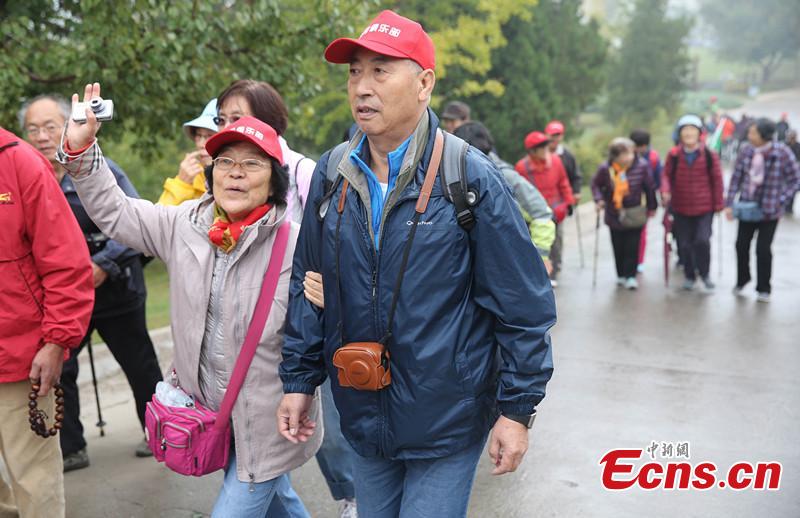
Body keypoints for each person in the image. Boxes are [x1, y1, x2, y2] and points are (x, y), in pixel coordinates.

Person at [278, 10, 555, 518]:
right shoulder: (333, 174)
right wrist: (299, 381)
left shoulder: (468, 177)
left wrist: (517, 411)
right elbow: (308, 284)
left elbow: (524, 306)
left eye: (380, 71)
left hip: (447, 417)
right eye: (354, 72)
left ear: (424, 82)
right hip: (362, 407)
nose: (362, 86)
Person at [59, 83, 321, 517]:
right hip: (211, 414)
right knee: (279, 505)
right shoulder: (184, 225)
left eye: (252, 164)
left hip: (271, 420)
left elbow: (313, 333)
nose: (235, 173)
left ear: (274, 180)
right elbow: (118, 213)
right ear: (211, 171)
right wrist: (82, 151)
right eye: (226, 162)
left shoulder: (295, 245)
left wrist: (303, 389)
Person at [206, 79, 358, 517]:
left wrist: (331, 289)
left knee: (321, 424)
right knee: (262, 444)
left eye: (239, 117)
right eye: (222, 119)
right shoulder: (224, 171)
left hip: (307, 319)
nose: (228, 126)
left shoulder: (305, 171)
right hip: (250, 333)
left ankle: (352, 496)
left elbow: (336, 241)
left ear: (269, 120)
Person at [20, 94, 164, 469]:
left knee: (139, 363)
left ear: (68, 124)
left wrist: (101, 264)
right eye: (33, 129)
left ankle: (161, 434)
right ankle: (71, 446)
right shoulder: (25, 177)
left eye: (50, 126)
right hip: (65, 297)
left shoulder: (103, 169)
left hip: (114, 286)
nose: (41, 136)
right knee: (61, 364)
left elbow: (132, 220)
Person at [0, 124, 94, 518]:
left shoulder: (19, 162)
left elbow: (67, 263)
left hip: (20, 357)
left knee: (34, 482)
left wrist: (56, 341)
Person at [453, 121, 555, 269]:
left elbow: (542, 214)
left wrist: (541, 256)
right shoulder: (455, 176)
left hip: (512, 264)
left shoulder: (506, 176)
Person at [725, 118, 800, 303]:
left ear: (764, 136)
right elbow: (736, 178)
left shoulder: (782, 153)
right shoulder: (746, 151)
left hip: (770, 211)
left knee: (763, 249)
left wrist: (781, 200)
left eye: (753, 133)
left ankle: (763, 288)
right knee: (741, 245)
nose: (749, 136)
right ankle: (742, 279)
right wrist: (729, 203)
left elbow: (795, 180)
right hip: (746, 207)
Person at [661, 114, 724, 292]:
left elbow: (717, 180)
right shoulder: (673, 155)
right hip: (681, 207)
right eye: (685, 130)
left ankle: (705, 274)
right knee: (685, 244)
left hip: (704, 208)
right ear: (679, 134)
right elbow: (665, 175)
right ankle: (689, 275)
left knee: (702, 241)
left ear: (699, 133)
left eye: (692, 130)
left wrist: (719, 203)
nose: (688, 133)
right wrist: (665, 190)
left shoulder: (710, 155)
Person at [591, 138, 657, 289]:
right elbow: (595, 184)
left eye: (630, 153)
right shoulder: (605, 168)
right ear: (615, 156)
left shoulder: (642, 166)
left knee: (632, 246)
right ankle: (620, 274)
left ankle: (631, 276)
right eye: (624, 154)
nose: (629, 157)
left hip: (635, 212)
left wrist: (652, 207)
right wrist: (598, 199)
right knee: (618, 245)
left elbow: (649, 187)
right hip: (613, 212)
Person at [515, 130, 575, 287]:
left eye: (546, 146)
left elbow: (563, 182)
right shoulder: (522, 167)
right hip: (534, 214)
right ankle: (539, 271)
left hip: (556, 210)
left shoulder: (556, 161)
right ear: (532, 151)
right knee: (537, 242)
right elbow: (518, 192)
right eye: (541, 147)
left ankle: (553, 270)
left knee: (556, 241)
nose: (545, 150)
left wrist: (568, 202)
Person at [158, 98, 218, 205]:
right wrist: (182, 183)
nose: (201, 144)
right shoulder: (194, 176)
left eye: (210, 136)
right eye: (198, 136)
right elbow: (159, 217)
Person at [629, 129, 662, 272]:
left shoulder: (653, 157)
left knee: (641, 231)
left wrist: (653, 203)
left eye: (641, 146)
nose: (639, 149)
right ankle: (629, 260)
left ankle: (639, 261)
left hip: (644, 200)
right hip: (628, 200)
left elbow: (658, 180)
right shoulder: (625, 156)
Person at [545, 120, 582, 201]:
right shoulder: (540, 154)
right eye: (552, 135)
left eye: (557, 135)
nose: (554, 138)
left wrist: (576, 192)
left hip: (565, 198)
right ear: (546, 135)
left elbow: (575, 175)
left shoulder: (568, 155)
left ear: (562, 136)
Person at [786, 130, 800, 214]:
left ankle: (789, 208)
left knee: (793, 190)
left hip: (795, 172)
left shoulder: (798, 147)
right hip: (785, 172)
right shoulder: (786, 145)